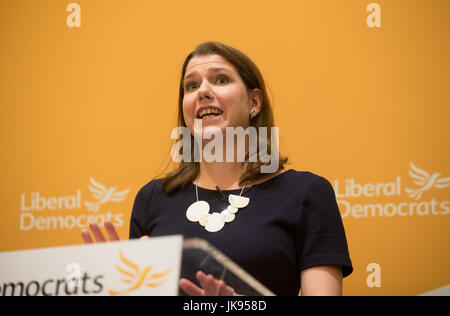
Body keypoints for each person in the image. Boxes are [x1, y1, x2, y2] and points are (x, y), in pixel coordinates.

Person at [81, 41, 353, 296]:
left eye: (221, 79)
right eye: (191, 86)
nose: (202, 91)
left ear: (254, 102)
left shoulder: (307, 193)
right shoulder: (152, 199)